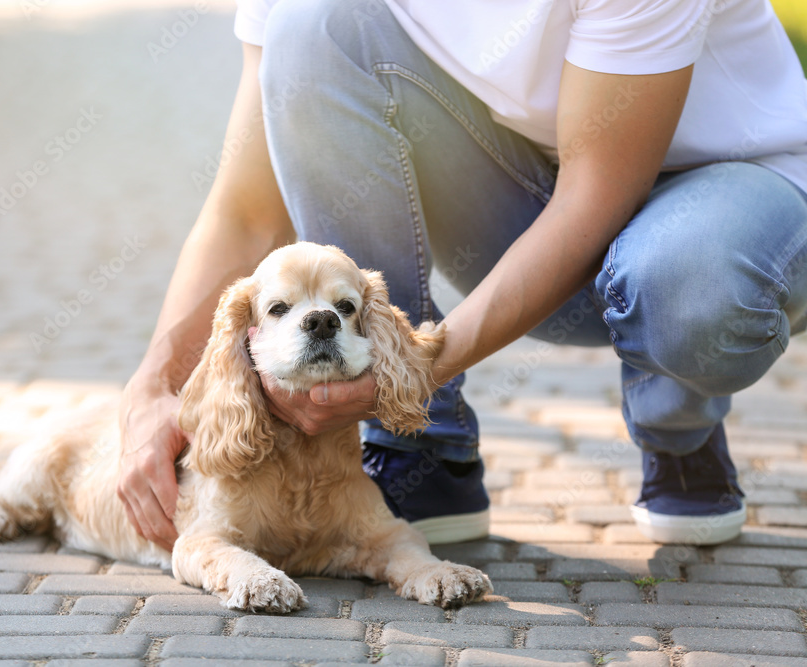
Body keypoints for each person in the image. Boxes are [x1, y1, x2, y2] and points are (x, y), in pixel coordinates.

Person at [117, 0, 807, 551]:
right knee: (314, 23)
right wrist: (151, 388)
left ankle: (678, 424)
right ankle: (422, 446)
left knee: (682, 278)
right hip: (535, 200)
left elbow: (597, 199)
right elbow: (246, 212)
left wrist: (408, 370)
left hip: (737, 202)